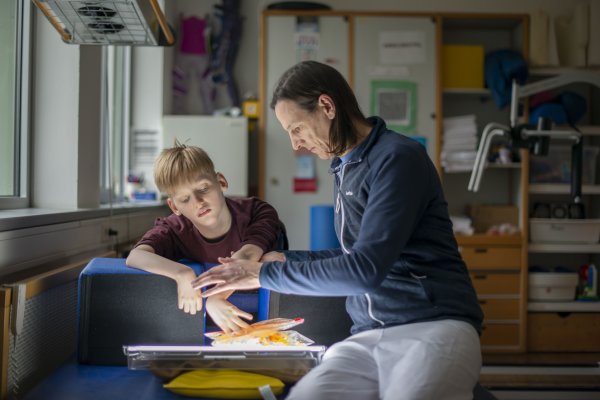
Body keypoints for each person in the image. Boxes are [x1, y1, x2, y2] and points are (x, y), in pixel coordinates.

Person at [191, 60, 484, 399]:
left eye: (296, 129)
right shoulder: (344, 167)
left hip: (434, 326)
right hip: (368, 336)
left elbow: (365, 270)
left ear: (326, 106)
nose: (295, 145)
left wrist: (263, 274)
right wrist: (284, 259)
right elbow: (353, 255)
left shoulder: (398, 158)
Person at [126, 141, 285, 333]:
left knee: (268, 260)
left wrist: (216, 297)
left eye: (203, 189)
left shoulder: (258, 211)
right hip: (216, 318)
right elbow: (136, 256)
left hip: (271, 303)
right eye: (185, 199)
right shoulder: (174, 228)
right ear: (174, 207)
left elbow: (248, 255)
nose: (198, 202)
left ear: (221, 182)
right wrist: (183, 274)